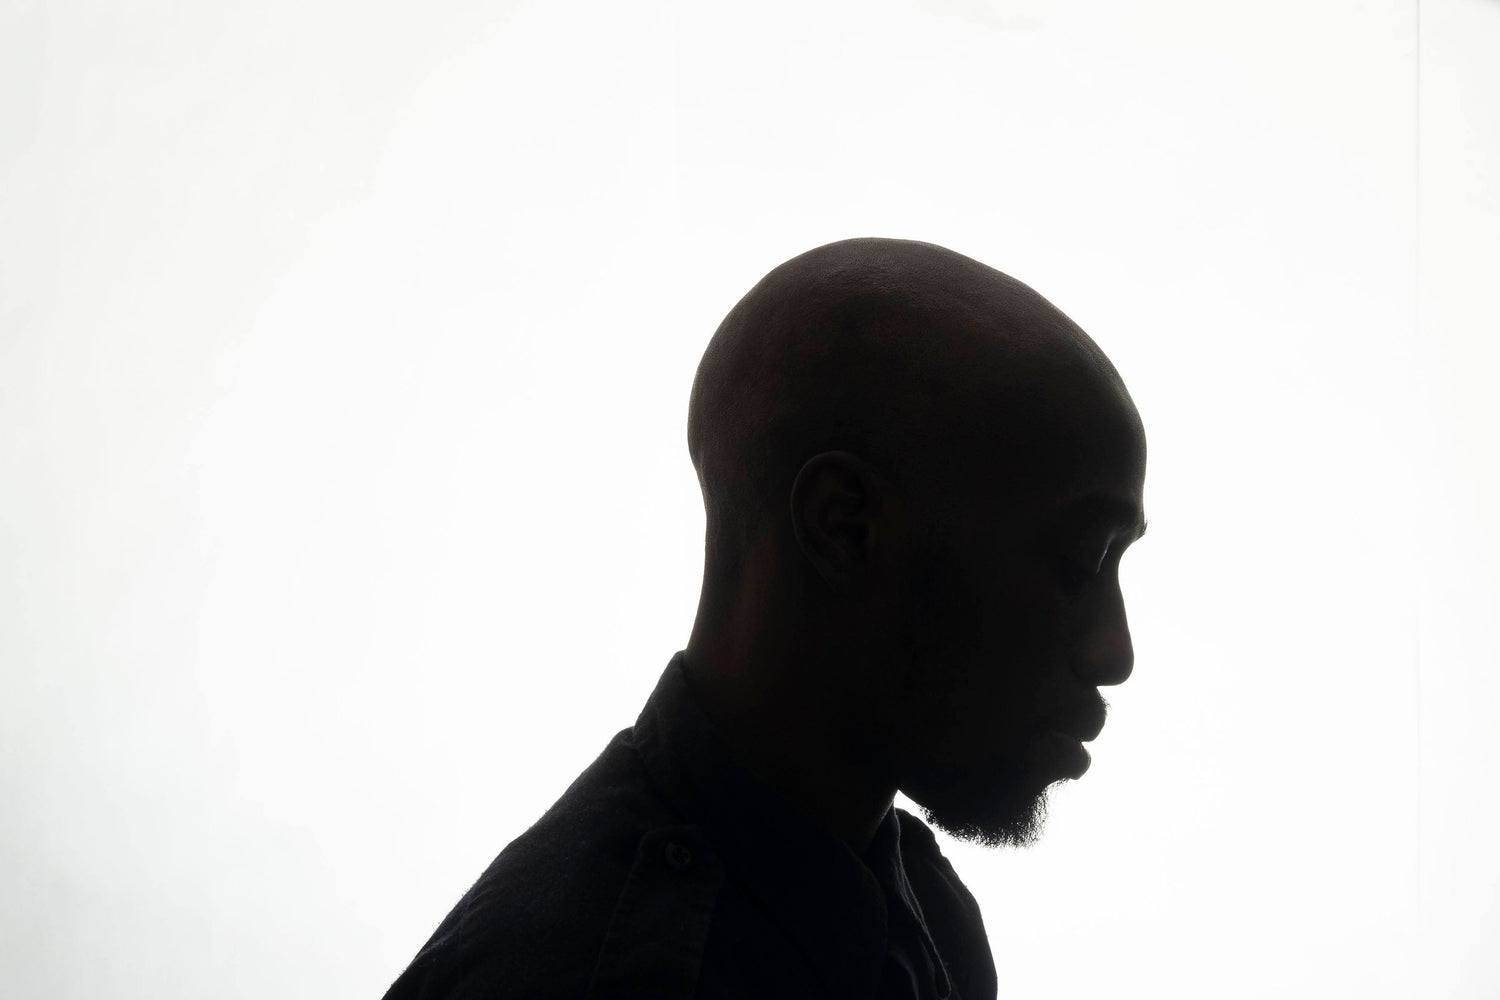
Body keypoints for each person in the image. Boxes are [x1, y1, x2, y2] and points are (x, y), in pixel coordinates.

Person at [380, 237, 1149, 999]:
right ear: (843, 525)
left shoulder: (917, 896)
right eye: (1078, 562)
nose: (1113, 653)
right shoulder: (590, 978)